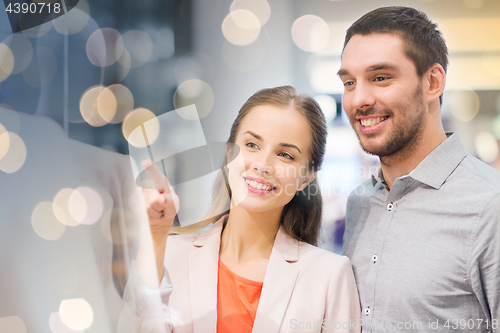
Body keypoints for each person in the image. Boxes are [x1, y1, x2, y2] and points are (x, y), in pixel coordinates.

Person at [134, 86, 361, 333]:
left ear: (306, 178)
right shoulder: (168, 256)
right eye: (252, 145)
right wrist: (155, 236)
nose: (263, 165)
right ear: (230, 152)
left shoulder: (329, 276)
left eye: (285, 155)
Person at [338, 6, 500, 333]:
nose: (359, 100)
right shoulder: (360, 203)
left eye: (380, 77)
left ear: (432, 82)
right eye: (350, 82)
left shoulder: (489, 207)